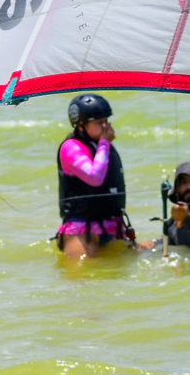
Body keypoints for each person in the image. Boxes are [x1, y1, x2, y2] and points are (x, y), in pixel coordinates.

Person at [55, 93, 134, 258]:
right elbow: (95, 178)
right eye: (99, 123)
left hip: (112, 226)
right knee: (85, 278)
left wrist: (103, 143)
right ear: (81, 125)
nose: (106, 128)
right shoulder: (70, 148)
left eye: (107, 122)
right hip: (82, 229)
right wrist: (105, 143)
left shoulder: (100, 147)